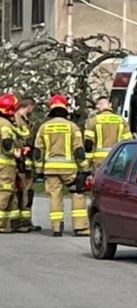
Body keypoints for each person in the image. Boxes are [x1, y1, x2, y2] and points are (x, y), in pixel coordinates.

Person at [33, 95, 86, 237]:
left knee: (54, 196)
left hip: (50, 168)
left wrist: (38, 170)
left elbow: (38, 151)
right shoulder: (72, 126)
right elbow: (79, 151)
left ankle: (56, 228)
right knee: (77, 193)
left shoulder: (44, 127)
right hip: (69, 169)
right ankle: (80, 227)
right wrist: (84, 168)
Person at [11, 97, 39, 232]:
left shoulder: (26, 121)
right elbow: (15, 139)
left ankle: (26, 221)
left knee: (28, 192)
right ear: (29, 106)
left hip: (27, 162)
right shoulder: (15, 120)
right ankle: (17, 222)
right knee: (19, 191)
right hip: (19, 161)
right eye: (32, 108)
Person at [85, 96, 130, 171]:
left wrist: (87, 164)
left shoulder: (93, 121)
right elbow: (128, 143)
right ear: (110, 105)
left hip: (99, 161)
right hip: (118, 159)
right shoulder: (122, 121)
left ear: (98, 106)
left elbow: (88, 145)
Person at [0, 93, 19, 233]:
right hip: (5, 164)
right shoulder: (5, 124)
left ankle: (6, 224)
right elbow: (6, 143)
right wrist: (14, 152)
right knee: (5, 191)